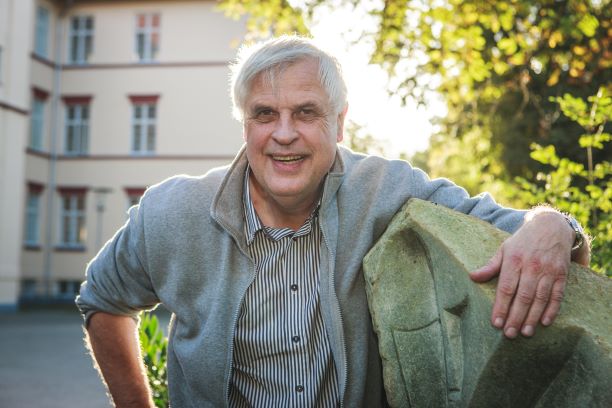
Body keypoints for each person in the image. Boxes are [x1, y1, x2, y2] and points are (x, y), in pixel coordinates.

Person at [76, 35, 590, 407]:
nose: (283, 134)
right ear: (244, 124)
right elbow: (102, 299)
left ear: (340, 123)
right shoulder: (173, 212)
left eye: (305, 113)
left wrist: (554, 226)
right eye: (264, 115)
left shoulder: (386, 188)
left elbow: (510, 225)